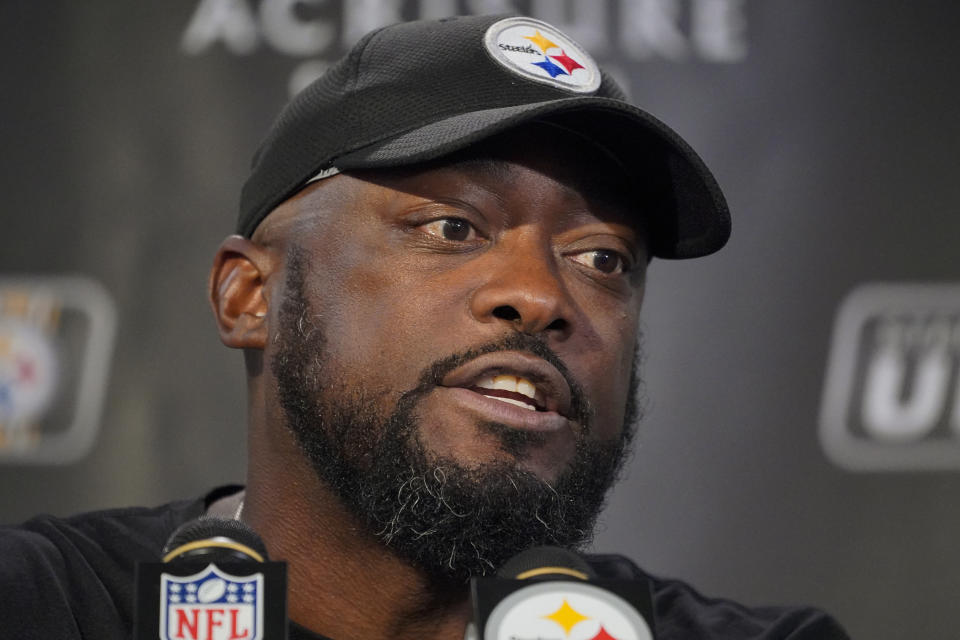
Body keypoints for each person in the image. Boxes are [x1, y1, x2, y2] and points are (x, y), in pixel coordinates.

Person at [0, 14, 849, 640]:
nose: (540, 295)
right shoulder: (45, 607)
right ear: (247, 296)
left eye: (603, 259)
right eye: (453, 228)